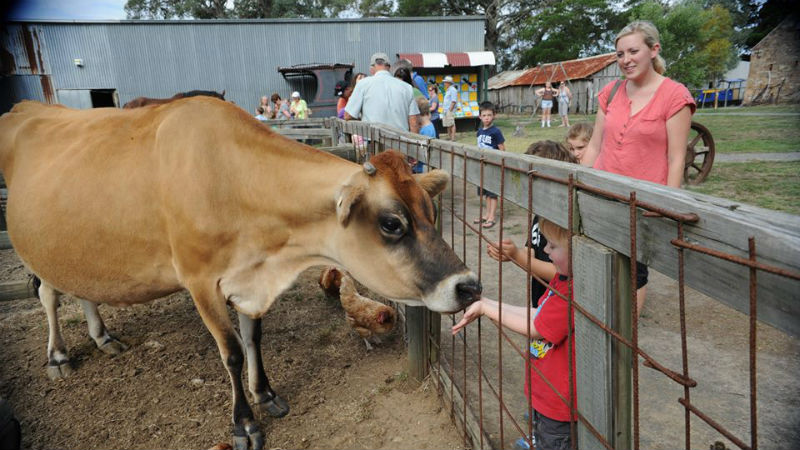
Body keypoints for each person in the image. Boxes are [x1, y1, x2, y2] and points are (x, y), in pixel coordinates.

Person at [580, 20, 696, 314]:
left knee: (635, 271)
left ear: (654, 50)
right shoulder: (611, 91)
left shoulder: (674, 96)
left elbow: (676, 158)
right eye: (620, 54)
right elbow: (595, 144)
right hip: (602, 194)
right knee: (595, 259)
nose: (626, 60)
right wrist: (577, 179)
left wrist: (667, 204)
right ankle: (599, 315)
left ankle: (626, 332)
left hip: (641, 202)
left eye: (633, 51)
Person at [453, 218, 577, 450]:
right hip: (547, 394)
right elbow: (538, 315)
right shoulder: (563, 280)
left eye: (553, 245)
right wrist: (488, 303)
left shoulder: (572, 292)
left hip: (560, 404)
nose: (545, 250)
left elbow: (536, 328)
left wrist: (488, 309)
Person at [487, 141, 577, 306]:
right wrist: (510, 253)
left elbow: (560, 272)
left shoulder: (564, 220)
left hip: (561, 304)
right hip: (541, 298)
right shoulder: (541, 214)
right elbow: (532, 250)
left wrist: (518, 256)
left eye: (534, 180)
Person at [344, 52, 420, 133]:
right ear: (389, 68)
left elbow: (348, 115)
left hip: (373, 141)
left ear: (372, 68)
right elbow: (414, 122)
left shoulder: (363, 84)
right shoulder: (407, 87)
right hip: (400, 142)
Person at [473, 101, 505, 229]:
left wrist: (500, 163)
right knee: (485, 193)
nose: (487, 118)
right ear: (480, 116)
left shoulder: (496, 132)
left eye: (489, 115)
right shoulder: (479, 132)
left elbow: (502, 149)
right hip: (483, 166)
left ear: (494, 116)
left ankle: (492, 217)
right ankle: (486, 214)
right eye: (484, 115)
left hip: (493, 166)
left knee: (492, 193)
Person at [411, 96, 436, 173]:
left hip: (422, 168)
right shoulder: (429, 126)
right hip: (422, 166)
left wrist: (416, 160)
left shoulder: (426, 131)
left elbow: (424, 150)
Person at [442, 76, 459, 140]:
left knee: (451, 123)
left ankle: (453, 138)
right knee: (448, 124)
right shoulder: (448, 90)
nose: (444, 84)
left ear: (449, 83)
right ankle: (449, 137)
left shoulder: (453, 90)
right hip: (446, 110)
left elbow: (453, 101)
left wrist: (450, 110)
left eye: (445, 82)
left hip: (449, 110)